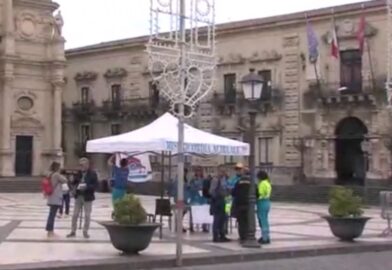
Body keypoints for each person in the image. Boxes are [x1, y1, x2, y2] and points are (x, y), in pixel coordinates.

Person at [67, 157, 98, 239]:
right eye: (80, 165)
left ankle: (85, 231)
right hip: (79, 196)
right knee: (75, 214)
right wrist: (72, 180)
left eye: (83, 165)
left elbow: (95, 185)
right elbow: (74, 182)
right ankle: (73, 231)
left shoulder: (93, 173)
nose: (82, 167)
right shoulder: (78, 173)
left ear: (87, 165)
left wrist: (87, 187)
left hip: (87, 196)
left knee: (87, 215)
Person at [45, 161, 68, 238]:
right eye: (59, 167)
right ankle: (50, 231)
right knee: (52, 215)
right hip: (55, 197)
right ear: (57, 167)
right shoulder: (57, 175)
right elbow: (65, 180)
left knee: (51, 214)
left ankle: (50, 230)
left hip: (51, 196)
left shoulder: (50, 174)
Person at [209, 166, 231, 243]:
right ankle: (216, 236)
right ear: (218, 171)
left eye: (224, 171)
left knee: (224, 218)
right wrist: (217, 197)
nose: (223, 173)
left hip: (227, 200)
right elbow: (211, 191)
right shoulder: (215, 180)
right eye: (221, 171)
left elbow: (228, 189)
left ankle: (223, 235)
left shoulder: (226, 179)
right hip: (219, 202)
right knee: (217, 219)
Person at [231, 166, 251, 243]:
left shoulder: (239, 182)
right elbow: (256, 192)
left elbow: (233, 193)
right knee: (248, 221)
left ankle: (242, 237)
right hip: (249, 204)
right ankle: (248, 236)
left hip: (239, 204)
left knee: (241, 221)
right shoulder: (251, 182)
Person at [189, 167, 209, 233]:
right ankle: (191, 226)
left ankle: (204, 226)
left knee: (205, 211)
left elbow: (206, 187)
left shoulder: (204, 179)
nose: (199, 172)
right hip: (195, 197)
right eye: (197, 171)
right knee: (193, 212)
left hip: (203, 198)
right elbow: (191, 188)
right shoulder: (193, 180)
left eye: (200, 171)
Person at [256, 170, 272, 244]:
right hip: (267, 202)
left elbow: (260, 194)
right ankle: (266, 236)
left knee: (262, 220)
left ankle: (264, 238)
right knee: (265, 220)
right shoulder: (268, 183)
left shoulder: (262, 184)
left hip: (262, 202)